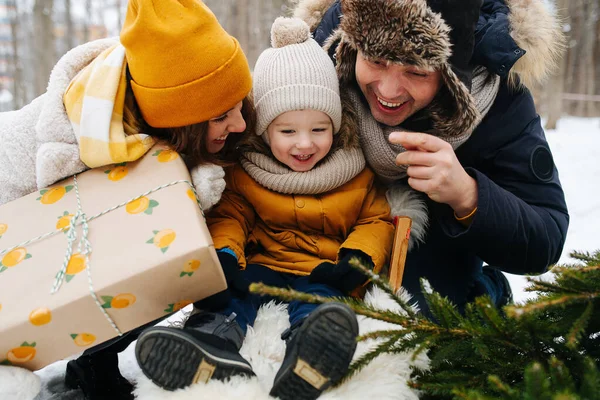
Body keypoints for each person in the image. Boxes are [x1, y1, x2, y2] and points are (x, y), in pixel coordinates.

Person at [0, 0, 255, 398]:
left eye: (238, 107)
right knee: (156, 261)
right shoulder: (83, 130)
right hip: (14, 221)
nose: (238, 124)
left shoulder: (146, 93)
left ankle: (93, 366)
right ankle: (91, 369)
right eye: (221, 116)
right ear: (179, 120)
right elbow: (106, 229)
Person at [134, 17, 395, 400]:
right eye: (287, 132)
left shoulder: (355, 173)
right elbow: (231, 215)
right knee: (229, 301)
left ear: (336, 127)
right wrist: (224, 253)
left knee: (323, 306)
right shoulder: (248, 172)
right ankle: (210, 345)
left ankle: (312, 357)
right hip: (260, 268)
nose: (304, 144)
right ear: (265, 131)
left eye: (319, 130)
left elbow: (376, 219)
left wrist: (355, 260)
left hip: (323, 270)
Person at [292, 0, 570, 316]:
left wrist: (468, 196)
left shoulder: (499, 101)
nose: (389, 90)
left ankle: (484, 290)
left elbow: (546, 236)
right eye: (376, 60)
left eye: (416, 71)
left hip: (434, 274)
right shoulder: (311, 73)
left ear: (453, 72)